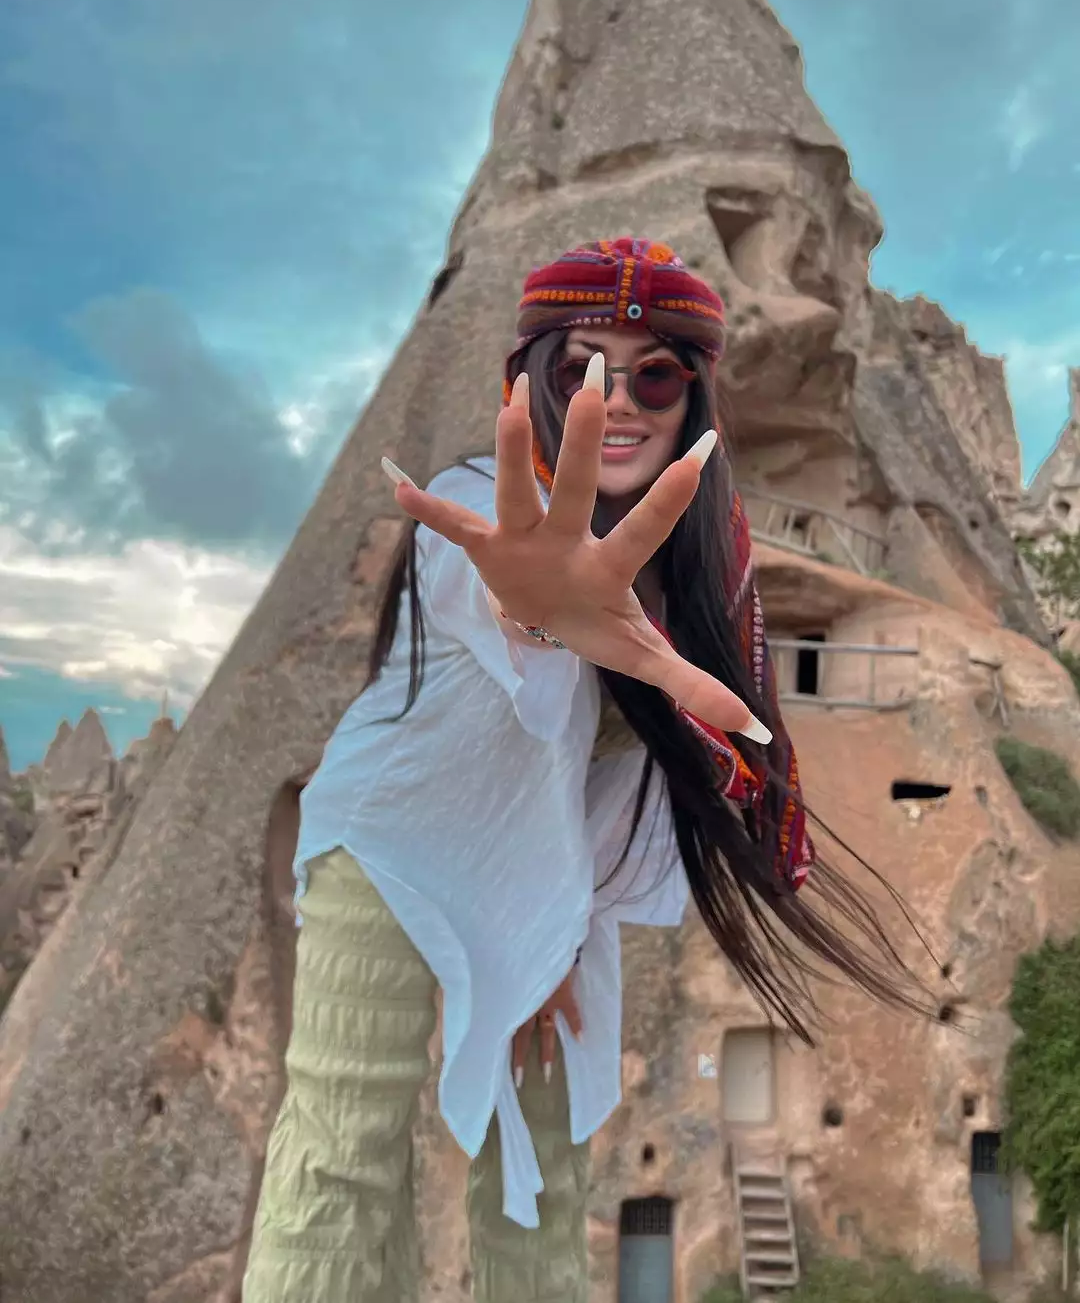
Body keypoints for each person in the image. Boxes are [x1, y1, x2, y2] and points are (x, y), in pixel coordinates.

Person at [242, 238, 919, 1303]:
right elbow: (503, 595)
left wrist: (550, 927)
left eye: (657, 375)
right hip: (392, 853)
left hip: (552, 877)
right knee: (344, 1151)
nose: (621, 402)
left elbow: (623, 781)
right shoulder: (481, 506)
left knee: (545, 1174)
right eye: (583, 370)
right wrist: (543, 606)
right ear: (536, 382)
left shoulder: (701, 568)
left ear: (695, 394)